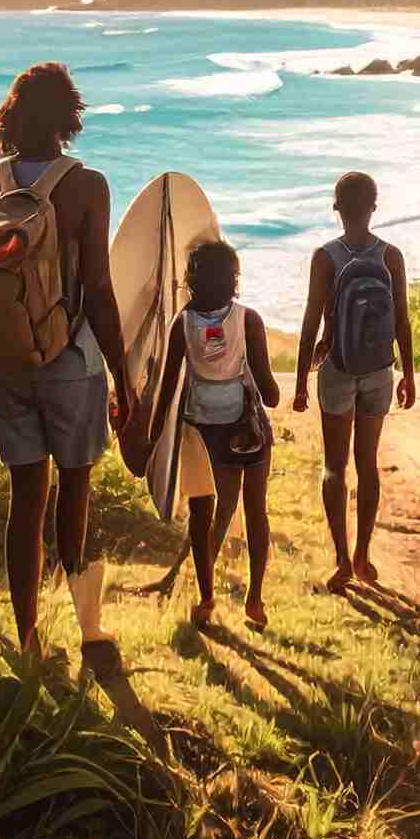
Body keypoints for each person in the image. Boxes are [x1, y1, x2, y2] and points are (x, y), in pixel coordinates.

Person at [0, 63, 133, 657]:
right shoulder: (87, 186)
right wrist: (123, 371)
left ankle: (28, 639)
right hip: (72, 359)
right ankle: (89, 631)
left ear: (12, 114)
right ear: (69, 116)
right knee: (75, 491)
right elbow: (100, 287)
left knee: (25, 501)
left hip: (8, 363)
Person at [148, 239, 281, 631]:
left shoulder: (182, 325)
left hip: (203, 433)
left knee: (204, 513)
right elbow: (270, 395)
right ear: (234, 281)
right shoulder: (248, 320)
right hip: (248, 431)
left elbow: (167, 390)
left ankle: (206, 598)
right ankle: (254, 598)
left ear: (190, 283)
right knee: (256, 510)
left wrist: (152, 440)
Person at [294, 171, 415, 593]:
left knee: (334, 466)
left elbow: (312, 320)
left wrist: (298, 382)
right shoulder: (391, 256)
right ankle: (364, 555)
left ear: (336, 208)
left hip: (338, 369)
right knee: (368, 464)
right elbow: (401, 318)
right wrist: (409, 376)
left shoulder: (325, 257)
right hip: (380, 370)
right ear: (375, 207)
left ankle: (342, 560)